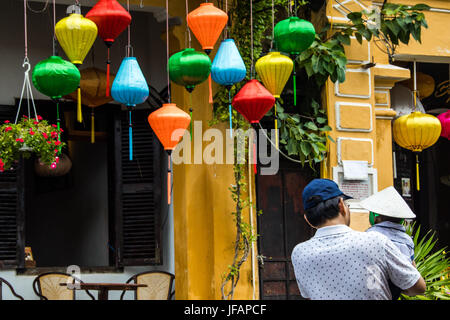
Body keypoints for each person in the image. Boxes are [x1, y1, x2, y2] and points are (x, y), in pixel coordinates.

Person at [291, 178, 426, 300]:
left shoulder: (299, 254)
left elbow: (309, 296)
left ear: (308, 219)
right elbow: (419, 287)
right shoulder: (376, 242)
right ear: (341, 205)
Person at [359, 186, 417, 300]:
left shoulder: (368, 236)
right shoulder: (407, 240)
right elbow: (412, 274)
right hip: (395, 290)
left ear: (376, 217)